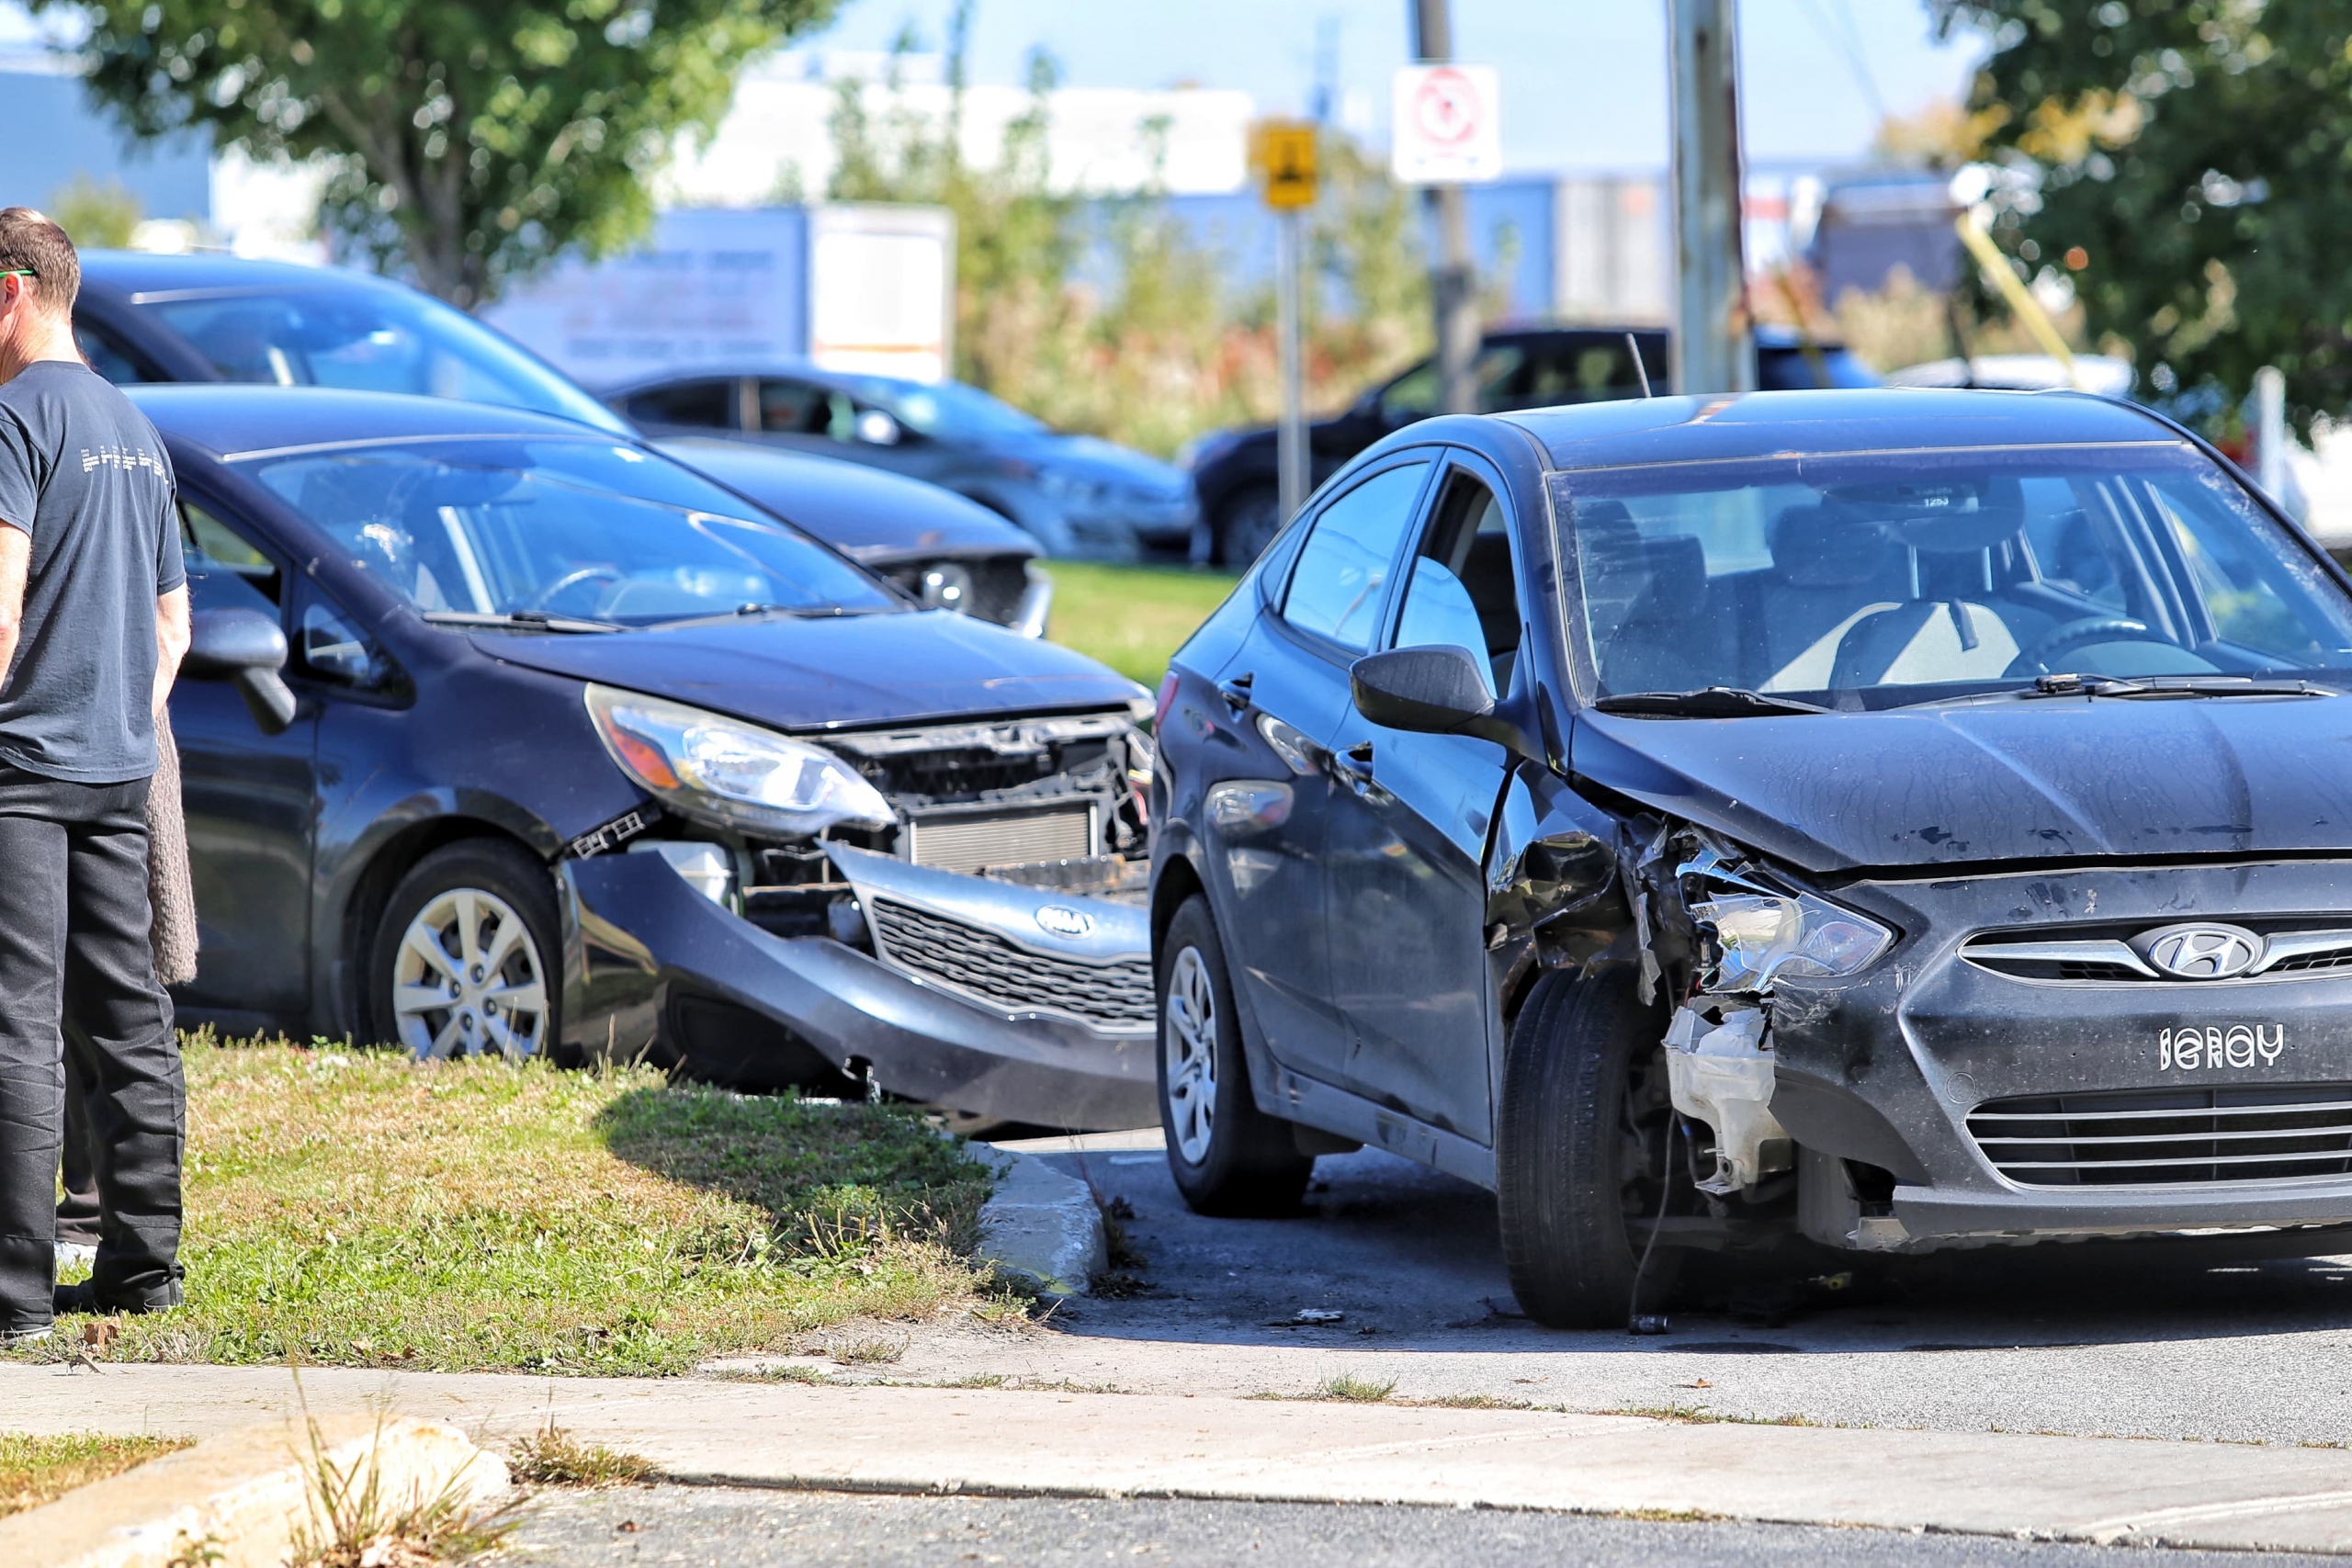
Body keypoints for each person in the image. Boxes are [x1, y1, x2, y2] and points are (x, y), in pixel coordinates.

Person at [0, 209, 192, 1341]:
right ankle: (143, 1264)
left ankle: (14, 1294)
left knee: (17, 1022)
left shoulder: (14, 419)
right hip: (118, 772)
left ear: (11, 292)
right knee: (128, 1014)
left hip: (19, 767)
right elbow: (174, 623)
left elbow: (2, 598)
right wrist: (118, 715)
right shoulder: (134, 426)